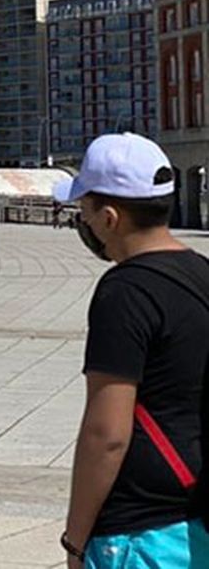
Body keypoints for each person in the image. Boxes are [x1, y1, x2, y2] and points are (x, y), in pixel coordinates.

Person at [57, 133, 209, 568]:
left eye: (82, 210)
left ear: (109, 217)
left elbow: (107, 434)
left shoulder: (124, 292)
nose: (80, 221)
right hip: (195, 523)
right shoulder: (201, 273)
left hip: (138, 532)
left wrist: (75, 539)